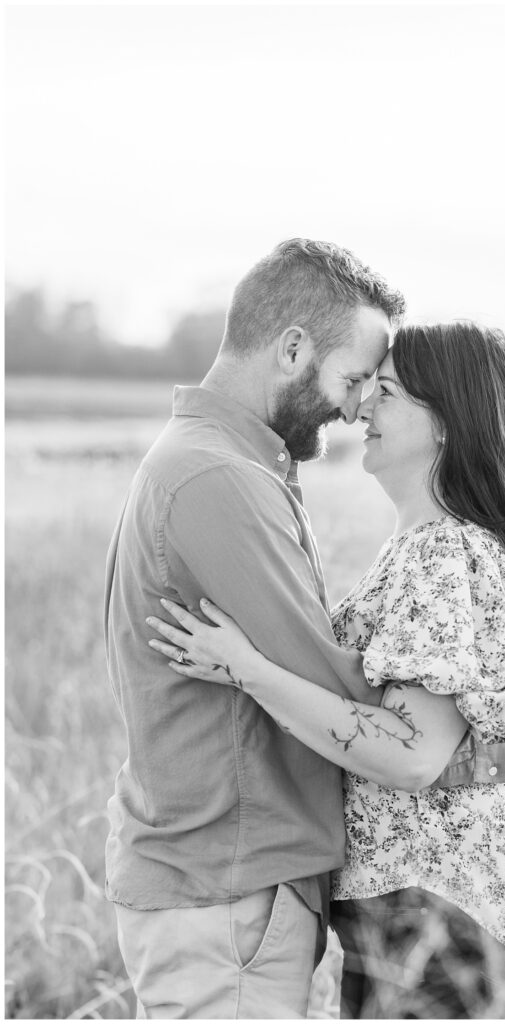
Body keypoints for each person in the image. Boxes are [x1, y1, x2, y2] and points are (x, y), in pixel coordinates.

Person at [146, 321, 505, 1019]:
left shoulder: (443, 553)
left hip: (438, 906)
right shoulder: (430, 546)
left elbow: (411, 754)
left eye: (385, 393)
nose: (361, 408)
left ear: (448, 423)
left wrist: (246, 668)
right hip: (433, 903)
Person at [103, 238, 405, 1019]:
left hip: (230, 890)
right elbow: (331, 689)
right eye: (355, 378)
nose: (358, 405)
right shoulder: (219, 477)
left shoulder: (232, 462)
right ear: (293, 348)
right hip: (227, 897)